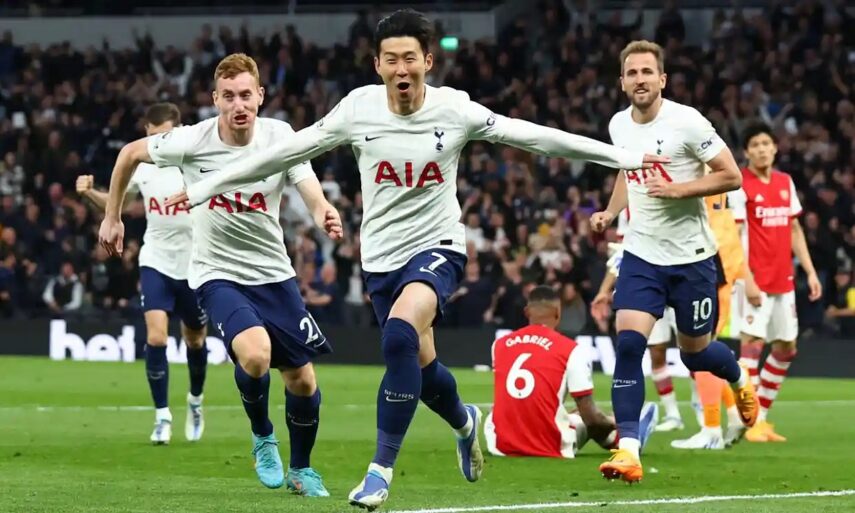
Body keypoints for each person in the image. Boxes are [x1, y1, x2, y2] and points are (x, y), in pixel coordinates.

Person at [166, 11, 665, 509]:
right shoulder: (357, 109)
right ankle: (465, 422)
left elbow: (532, 135)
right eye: (391, 59)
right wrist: (207, 186)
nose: (401, 68)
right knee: (422, 369)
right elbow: (284, 152)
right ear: (377, 65)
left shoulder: (455, 110)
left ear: (427, 61)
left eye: (410, 58)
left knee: (399, 335)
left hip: (438, 247)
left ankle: (380, 471)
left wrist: (621, 157)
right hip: (381, 259)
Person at [98, 53, 343, 497]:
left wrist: (322, 208)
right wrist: (112, 216)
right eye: (228, 96)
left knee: (303, 380)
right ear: (215, 100)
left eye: (245, 95)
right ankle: (263, 436)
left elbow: (305, 180)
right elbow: (129, 153)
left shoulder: (279, 136)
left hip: (274, 274)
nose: (238, 105)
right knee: (256, 355)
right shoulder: (193, 139)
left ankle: (302, 470)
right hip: (218, 273)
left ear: (260, 96)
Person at [590, 40, 758, 483]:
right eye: (632, 73)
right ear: (622, 82)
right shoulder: (618, 125)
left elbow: (732, 175)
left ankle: (738, 377)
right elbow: (627, 171)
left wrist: (679, 190)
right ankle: (628, 449)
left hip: (692, 259)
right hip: (642, 255)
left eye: (647, 72)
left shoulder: (688, 122)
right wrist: (611, 212)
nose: (640, 79)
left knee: (695, 354)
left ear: (662, 79)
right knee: (629, 345)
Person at [77, 102, 209, 445]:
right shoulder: (144, 166)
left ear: (178, 131)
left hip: (195, 265)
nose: (157, 145)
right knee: (156, 337)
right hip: (156, 260)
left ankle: (195, 401)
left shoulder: (196, 161)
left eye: (163, 136)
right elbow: (117, 203)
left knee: (195, 339)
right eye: (152, 137)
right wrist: (89, 193)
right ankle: (162, 416)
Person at [485, 285, 658, 459]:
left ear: (526, 312)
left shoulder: (499, 345)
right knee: (586, 419)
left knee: (573, 415)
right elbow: (591, 419)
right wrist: (613, 422)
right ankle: (630, 440)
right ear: (558, 313)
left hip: (499, 445)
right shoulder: (570, 350)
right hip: (549, 445)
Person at [730, 123, 822, 443]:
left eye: (766, 143)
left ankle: (761, 417)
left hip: (784, 280)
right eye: (755, 144)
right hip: (754, 279)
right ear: (746, 151)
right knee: (752, 346)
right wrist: (747, 280)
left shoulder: (785, 182)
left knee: (786, 348)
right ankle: (749, 420)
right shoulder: (740, 184)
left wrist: (810, 271)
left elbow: (794, 229)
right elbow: (735, 236)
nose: (761, 149)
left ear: (775, 148)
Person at [671, 187, 758, 450]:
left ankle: (711, 429)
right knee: (699, 349)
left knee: (700, 349)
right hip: (714, 263)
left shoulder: (700, 177)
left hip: (707, 263)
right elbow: (734, 231)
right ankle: (733, 415)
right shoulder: (727, 182)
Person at [591, 209, 684, 432]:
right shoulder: (629, 208)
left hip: (682, 279)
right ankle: (673, 414)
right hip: (650, 284)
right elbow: (623, 253)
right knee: (657, 352)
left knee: (695, 351)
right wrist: (604, 290)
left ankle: (706, 415)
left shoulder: (679, 193)